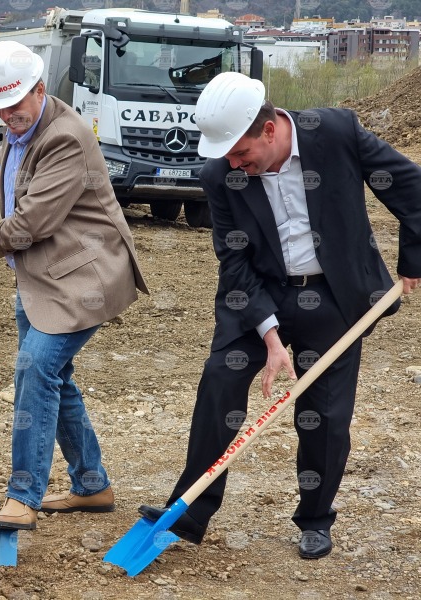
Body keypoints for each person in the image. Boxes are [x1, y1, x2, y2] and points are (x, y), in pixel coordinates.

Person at [138, 72, 421, 559]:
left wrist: (412, 261)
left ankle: (315, 518)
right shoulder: (220, 175)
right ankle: (189, 511)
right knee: (220, 382)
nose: (233, 164)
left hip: (333, 296)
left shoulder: (336, 132)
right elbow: (234, 261)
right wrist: (269, 334)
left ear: (269, 130)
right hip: (258, 293)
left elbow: (412, 189)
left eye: (240, 153)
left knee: (325, 415)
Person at [0, 41, 149, 530]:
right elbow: (15, 139)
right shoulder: (24, 123)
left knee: (34, 370)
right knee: (56, 378)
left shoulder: (66, 138)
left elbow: (34, 222)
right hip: (40, 277)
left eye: (14, 105)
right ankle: (92, 485)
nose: (7, 116)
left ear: (39, 89)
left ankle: (23, 496)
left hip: (83, 277)